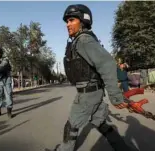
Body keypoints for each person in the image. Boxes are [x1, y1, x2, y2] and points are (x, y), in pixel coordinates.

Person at [45, 4, 131, 151]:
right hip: (92, 91)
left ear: (83, 21)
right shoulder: (80, 40)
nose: (68, 24)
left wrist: (115, 95)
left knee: (72, 125)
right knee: (100, 123)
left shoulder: (84, 40)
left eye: (72, 20)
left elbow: (107, 63)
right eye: (67, 21)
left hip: (88, 93)